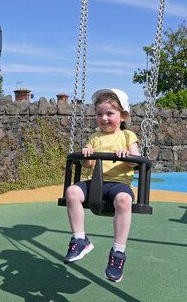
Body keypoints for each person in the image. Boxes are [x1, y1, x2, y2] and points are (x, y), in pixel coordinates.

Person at [64, 88, 140, 283]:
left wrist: (127, 157)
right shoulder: (95, 138)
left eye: (109, 114)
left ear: (122, 116)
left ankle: (118, 252)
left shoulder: (127, 136)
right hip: (96, 183)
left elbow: (136, 161)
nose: (104, 118)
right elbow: (86, 165)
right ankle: (80, 239)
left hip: (118, 184)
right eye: (99, 114)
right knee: (72, 192)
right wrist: (86, 155)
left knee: (124, 200)